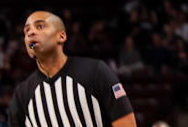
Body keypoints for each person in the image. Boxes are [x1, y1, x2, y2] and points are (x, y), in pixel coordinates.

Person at [8, 12, 136, 127]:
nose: (30, 33)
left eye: (40, 26)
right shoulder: (22, 95)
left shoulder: (95, 72)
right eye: (26, 31)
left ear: (61, 36)